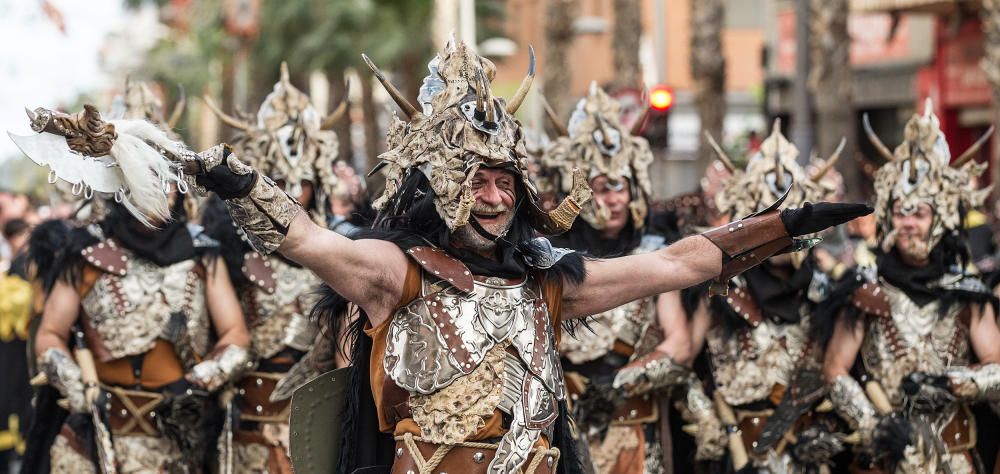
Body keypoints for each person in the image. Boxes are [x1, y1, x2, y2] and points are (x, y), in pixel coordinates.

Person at [11, 40, 870, 474]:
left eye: (505, 180)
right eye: (476, 181)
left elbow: (684, 264)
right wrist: (229, 178)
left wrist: (790, 222)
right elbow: (305, 239)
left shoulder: (551, 283)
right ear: (436, 184)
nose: (494, 197)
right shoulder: (394, 272)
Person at [14, 102, 252, 473]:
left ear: (177, 192)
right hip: (96, 439)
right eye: (145, 182)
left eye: (164, 185)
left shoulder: (203, 253)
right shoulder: (86, 251)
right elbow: (50, 335)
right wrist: (81, 390)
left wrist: (196, 383)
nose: (157, 194)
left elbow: (236, 336)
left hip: (178, 438)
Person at [822, 99, 1000, 473]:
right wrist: (878, 428)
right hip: (885, 459)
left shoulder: (967, 293)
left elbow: (997, 368)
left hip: (954, 459)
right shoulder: (865, 289)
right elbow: (836, 369)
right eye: (900, 212)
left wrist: (954, 384)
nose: (908, 224)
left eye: (918, 213)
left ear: (942, 217)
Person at [537, 82, 692, 473]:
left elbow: (680, 345)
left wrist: (619, 384)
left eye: (620, 187)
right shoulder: (548, 260)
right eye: (602, 189)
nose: (614, 200)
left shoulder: (656, 255)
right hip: (564, 433)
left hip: (636, 434)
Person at [203, 62, 349, 473]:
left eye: (300, 181)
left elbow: (346, 358)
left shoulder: (343, 252)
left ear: (316, 181)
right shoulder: (227, 252)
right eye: (279, 183)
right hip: (246, 432)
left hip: (317, 434)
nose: (291, 194)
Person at [682, 120, 849, 472]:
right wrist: (711, 423)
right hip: (736, 453)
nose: (782, 232)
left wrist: (825, 433)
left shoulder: (830, 290)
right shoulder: (718, 289)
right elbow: (684, 366)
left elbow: (842, 373)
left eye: (792, 220)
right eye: (770, 221)